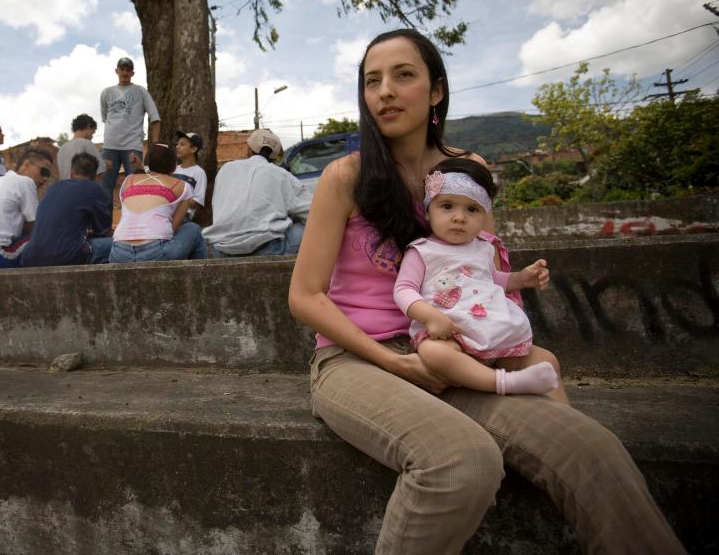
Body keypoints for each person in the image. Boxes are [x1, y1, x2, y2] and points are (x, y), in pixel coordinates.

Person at [287, 29, 683, 554]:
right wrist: (395, 362)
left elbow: (486, 276)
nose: (384, 91)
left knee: (591, 448)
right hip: (354, 361)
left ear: (435, 91)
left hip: (459, 353)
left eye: (403, 75)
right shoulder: (346, 176)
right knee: (460, 461)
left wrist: (505, 351)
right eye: (372, 80)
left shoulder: (465, 172)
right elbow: (305, 296)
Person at [394, 158, 564, 400]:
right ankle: (505, 383)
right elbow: (403, 289)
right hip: (448, 335)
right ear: (428, 211)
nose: (459, 217)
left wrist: (521, 279)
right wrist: (430, 316)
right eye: (447, 206)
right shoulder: (422, 251)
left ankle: (562, 420)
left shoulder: (483, 248)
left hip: (491, 332)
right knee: (434, 353)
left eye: (472, 209)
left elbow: (493, 280)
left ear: (484, 216)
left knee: (547, 360)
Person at [202, 128, 310, 257]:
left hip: (222, 250)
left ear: (248, 150)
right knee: (303, 229)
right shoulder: (281, 174)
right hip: (267, 250)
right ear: (274, 158)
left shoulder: (225, 169)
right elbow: (313, 211)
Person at [109, 143, 206, 263]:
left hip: (119, 252)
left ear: (147, 161)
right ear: (174, 166)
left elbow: (149, 178)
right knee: (194, 229)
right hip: (155, 252)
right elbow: (172, 230)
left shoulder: (129, 180)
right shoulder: (182, 186)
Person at [20, 153, 112, 267]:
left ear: (71, 173)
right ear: (94, 176)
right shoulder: (94, 189)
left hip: (30, 258)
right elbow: (103, 231)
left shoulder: (53, 188)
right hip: (66, 256)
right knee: (118, 246)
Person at [100, 57, 161, 196]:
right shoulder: (106, 93)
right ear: (116, 71)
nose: (125, 72)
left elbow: (155, 118)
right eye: (122, 69)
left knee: (135, 188)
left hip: (132, 146)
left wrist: (155, 145)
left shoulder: (140, 91)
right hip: (110, 147)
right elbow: (105, 118)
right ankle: (105, 219)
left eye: (128, 70)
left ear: (133, 73)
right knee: (105, 189)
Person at [57, 114, 106, 182]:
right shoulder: (86, 143)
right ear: (88, 126)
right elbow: (101, 172)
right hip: (84, 189)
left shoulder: (62, 149)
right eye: (93, 132)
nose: (92, 136)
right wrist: (107, 165)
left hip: (66, 190)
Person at [173, 130, 207, 220]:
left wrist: (177, 194)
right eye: (177, 144)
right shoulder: (174, 169)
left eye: (182, 144)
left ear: (193, 149)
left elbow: (196, 203)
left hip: (184, 215)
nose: (177, 147)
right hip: (168, 210)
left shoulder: (199, 173)